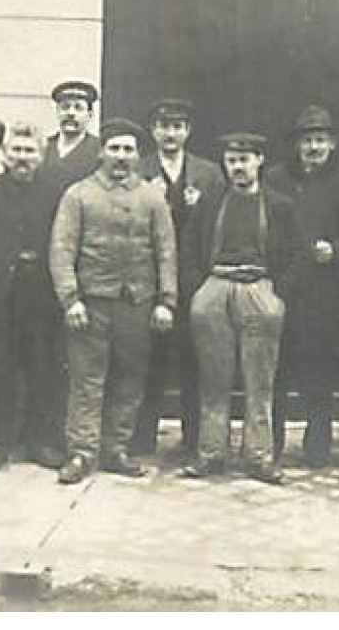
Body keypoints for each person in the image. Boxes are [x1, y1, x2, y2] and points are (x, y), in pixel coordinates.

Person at [49, 118, 176, 484]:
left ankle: (116, 448)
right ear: (102, 152)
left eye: (128, 149)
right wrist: (70, 298)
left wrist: (166, 301)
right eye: (114, 148)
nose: (121, 156)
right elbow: (61, 249)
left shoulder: (152, 197)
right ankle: (81, 451)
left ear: (138, 155)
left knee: (129, 378)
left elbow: (166, 251)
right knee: (87, 380)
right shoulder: (79, 195)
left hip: (137, 303)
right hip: (91, 305)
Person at [179, 133, 301, 484]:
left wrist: (278, 294)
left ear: (259, 161)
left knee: (259, 379)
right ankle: (211, 454)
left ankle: (259, 457)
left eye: (244, 159)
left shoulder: (279, 205)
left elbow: (296, 255)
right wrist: (198, 289)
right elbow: (189, 247)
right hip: (215, 286)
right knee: (213, 377)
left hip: (259, 287)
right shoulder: (211, 202)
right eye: (231, 160)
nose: (237, 167)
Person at [265, 105, 339, 468]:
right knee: (276, 372)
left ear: (332, 144)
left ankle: (317, 447)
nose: (314, 147)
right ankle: (271, 445)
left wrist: (336, 250)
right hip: (281, 288)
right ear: (296, 145)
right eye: (307, 140)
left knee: (319, 373)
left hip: (325, 294)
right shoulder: (276, 178)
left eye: (320, 140)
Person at [0, 123, 67, 472]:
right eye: (17, 151)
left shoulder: (55, 193)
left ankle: (41, 442)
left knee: (43, 369)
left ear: (41, 155)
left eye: (30, 151)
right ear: (6, 154)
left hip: (42, 297)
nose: (23, 158)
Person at [133, 97, 224, 458]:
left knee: (194, 360)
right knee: (149, 359)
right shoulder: (140, 170)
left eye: (177, 126)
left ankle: (194, 439)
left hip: (195, 277)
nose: (170, 133)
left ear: (187, 132)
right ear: (154, 131)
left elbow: (220, 222)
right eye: (163, 126)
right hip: (150, 278)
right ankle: (141, 437)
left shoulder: (209, 173)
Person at [43, 80, 102, 190]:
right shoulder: (43, 147)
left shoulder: (99, 150)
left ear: (89, 115)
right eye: (65, 107)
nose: (71, 113)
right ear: (57, 112)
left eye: (78, 108)